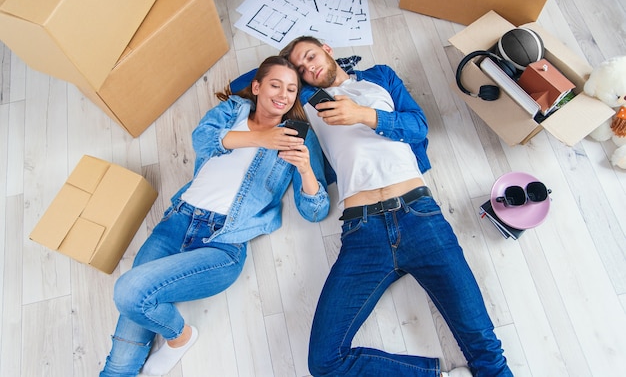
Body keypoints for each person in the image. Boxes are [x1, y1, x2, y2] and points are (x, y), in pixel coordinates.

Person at [280, 37, 513, 377]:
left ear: (328, 49)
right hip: (362, 234)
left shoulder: (380, 77)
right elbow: (260, 83)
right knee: (324, 362)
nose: (309, 68)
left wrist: (365, 115)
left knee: (487, 353)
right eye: (301, 69)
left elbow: (418, 127)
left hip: (420, 217)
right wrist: (290, 79)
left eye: (310, 56)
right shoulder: (305, 104)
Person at [100, 56, 330, 377]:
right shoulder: (233, 110)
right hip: (176, 223)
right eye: (275, 84)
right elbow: (202, 140)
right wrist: (260, 138)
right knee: (120, 356)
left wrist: (305, 168)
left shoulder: (299, 137)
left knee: (129, 293)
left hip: (222, 244)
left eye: (291, 89)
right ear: (257, 86)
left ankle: (180, 338)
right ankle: (156, 350)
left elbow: (316, 210)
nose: (283, 94)